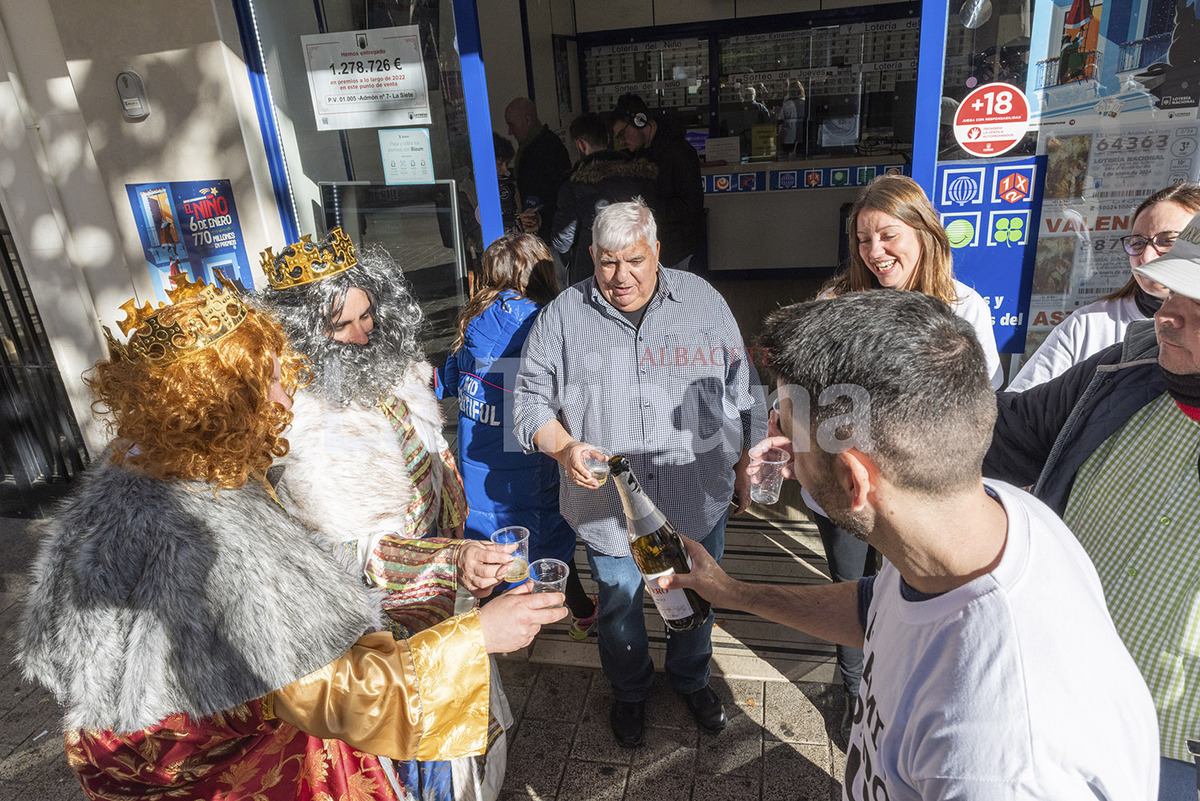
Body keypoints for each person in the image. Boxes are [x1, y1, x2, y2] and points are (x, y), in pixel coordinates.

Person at [16, 274, 565, 800]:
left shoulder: (150, 468)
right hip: (237, 763)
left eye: (367, 314)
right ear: (221, 401)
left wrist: (453, 555)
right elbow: (322, 689)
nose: (285, 396)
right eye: (271, 379)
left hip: (158, 752)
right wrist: (477, 638)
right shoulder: (215, 523)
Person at [664, 289, 1159, 800]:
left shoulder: (992, 762)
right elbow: (877, 608)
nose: (776, 442)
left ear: (856, 481)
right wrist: (733, 592)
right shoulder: (991, 517)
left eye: (786, 425)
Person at [256, 229, 502, 801]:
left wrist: (451, 509)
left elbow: (433, 458)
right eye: (341, 325)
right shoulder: (302, 427)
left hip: (439, 579)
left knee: (462, 704)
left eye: (367, 315)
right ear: (302, 335)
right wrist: (449, 560)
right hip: (386, 616)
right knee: (423, 732)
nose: (363, 335)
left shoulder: (395, 367)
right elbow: (349, 555)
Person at [513, 199, 766, 748]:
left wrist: (745, 460)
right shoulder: (563, 315)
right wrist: (564, 448)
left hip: (695, 493)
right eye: (607, 263)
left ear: (657, 251)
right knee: (621, 607)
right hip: (608, 505)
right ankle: (629, 691)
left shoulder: (701, 301)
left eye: (633, 260)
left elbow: (741, 386)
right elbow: (528, 403)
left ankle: (691, 678)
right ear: (590, 256)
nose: (620, 276)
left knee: (697, 595)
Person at [986, 207, 1200, 800]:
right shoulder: (1124, 368)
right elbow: (996, 434)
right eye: (1177, 291)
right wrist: (837, 428)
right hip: (1055, 710)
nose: (1170, 315)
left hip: (1178, 761)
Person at [813, 173, 1002, 739]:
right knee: (851, 589)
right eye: (863, 240)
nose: (874, 253)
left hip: (924, 494)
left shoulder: (963, 308)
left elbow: (980, 403)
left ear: (924, 233)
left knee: (915, 594)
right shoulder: (838, 302)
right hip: (850, 482)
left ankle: (903, 691)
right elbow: (806, 390)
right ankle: (854, 691)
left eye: (888, 236)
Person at [439, 233, 599, 638]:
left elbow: (451, 383)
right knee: (546, 551)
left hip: (476, 470)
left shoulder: (473, 321)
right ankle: (572, 616)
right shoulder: (546, 325)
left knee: (494, 556)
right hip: (529, 469)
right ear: (543, 272)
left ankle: (492, 632)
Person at [1009, 183, 1200, 391]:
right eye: (1137, 243)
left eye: (1166, 241)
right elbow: (1025, 406)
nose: (1146, 257)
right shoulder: (1088, 325)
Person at [550, 112, 658, 285]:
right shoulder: (642, 177)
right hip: (638, 271)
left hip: (591, 276)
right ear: (608, 138)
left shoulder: (573, 185)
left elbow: (562, 242)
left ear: (581, 145)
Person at [610, 94, 704, 270]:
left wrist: (644, 211)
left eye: (622, 133)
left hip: (678, 250)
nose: (622, 141)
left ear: (640, 121)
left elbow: (692, 206)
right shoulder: (638, 154)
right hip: (651, 249)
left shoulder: (679, 152)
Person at [504, 98, 571, 243]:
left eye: (512, 125)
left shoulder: (546, 149)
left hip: (548, 231)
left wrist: (539, 218)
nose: (510, 132)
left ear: (527, 121)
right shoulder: (534, 146)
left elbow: (555, 194)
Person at [776, 79, 806, 158]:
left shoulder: (787, 104)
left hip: (788, 138)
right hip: (804, 137)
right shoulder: (805, 102)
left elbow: (780, 119)